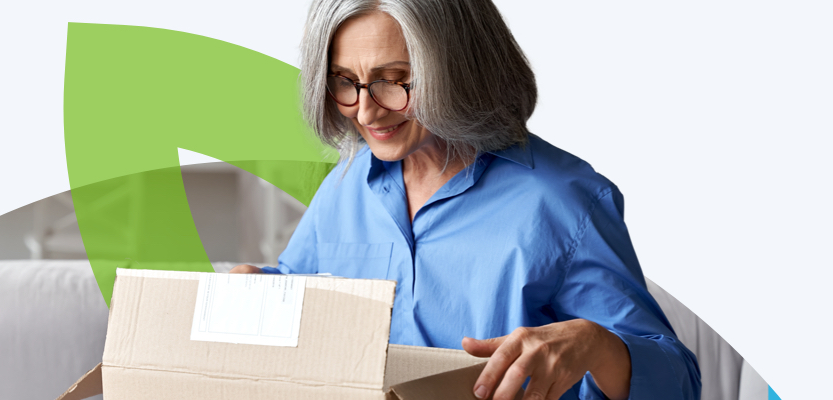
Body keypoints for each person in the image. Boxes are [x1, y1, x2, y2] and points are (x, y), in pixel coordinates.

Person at [231, 1, 701, 399]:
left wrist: (596, 345)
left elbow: (680, 380)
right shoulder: (347, 183)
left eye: (393, 81)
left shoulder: (564, 200)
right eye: (344, 82)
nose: (367, 111)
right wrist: (261, 287)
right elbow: (301, 289)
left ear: (460, 70)